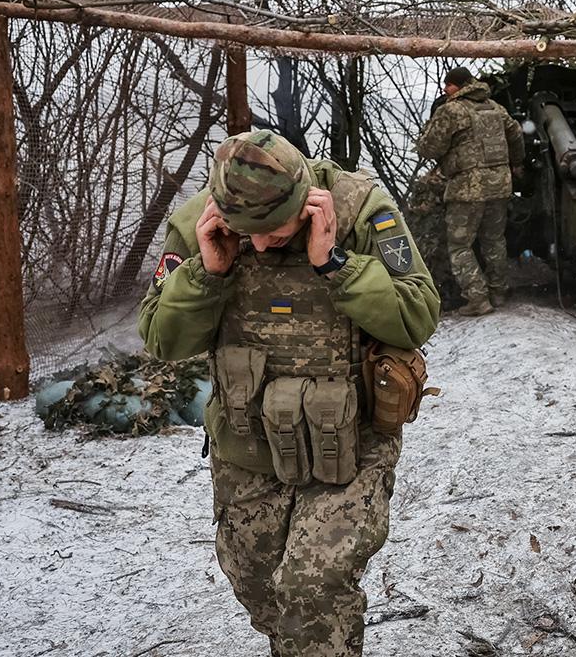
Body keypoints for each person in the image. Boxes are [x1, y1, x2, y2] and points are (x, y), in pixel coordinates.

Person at [138, 130, 440, 656]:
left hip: (350, 441)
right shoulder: (196, 225)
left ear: (306, 201)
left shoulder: (361, 211)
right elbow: (161, 339)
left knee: (311, 589)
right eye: (244, 233)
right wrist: (208, 275)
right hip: (247, 442)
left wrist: (336, 264)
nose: (258, 246)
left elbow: (417, 316)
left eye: (274, 232)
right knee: (257, 587)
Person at [415, 66, 524, 316]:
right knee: (494, 239)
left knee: (460, 244)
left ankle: (477, 298)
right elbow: (516, 134)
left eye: (448, 84)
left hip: (467, 188)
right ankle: (498, 292)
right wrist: (515, 163)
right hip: (499, 185)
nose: (445, 89)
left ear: (460, 85)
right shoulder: (495, 108)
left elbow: (429, 148)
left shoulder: (451, 110)